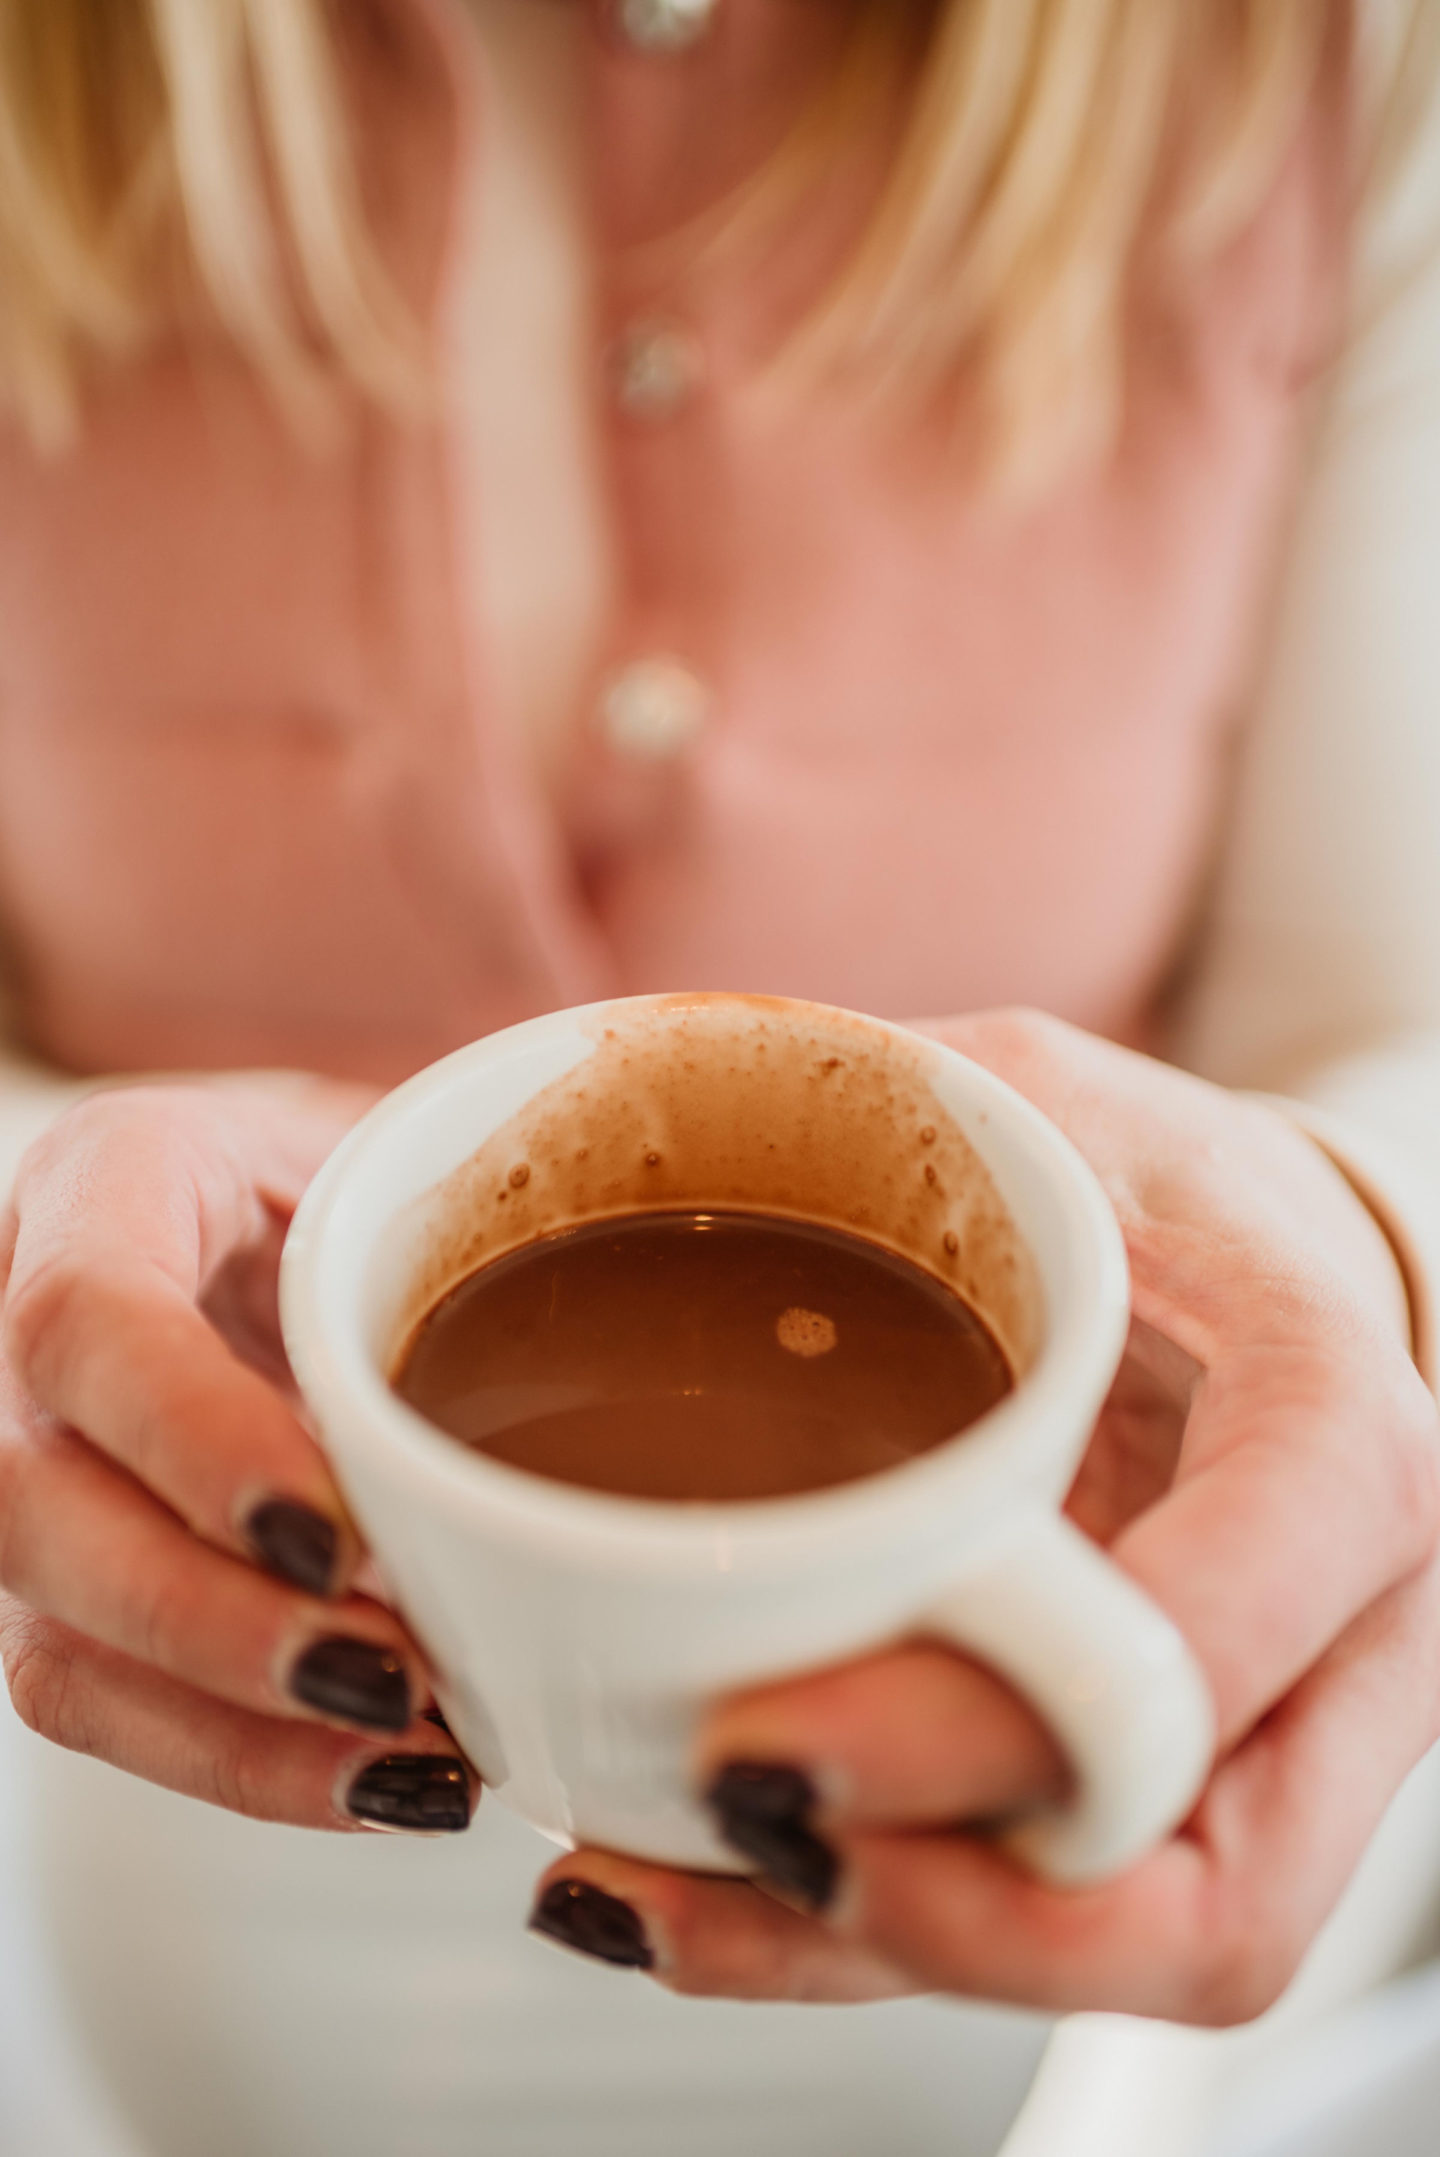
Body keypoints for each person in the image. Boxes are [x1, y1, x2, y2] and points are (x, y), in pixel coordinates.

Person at [2, 1, 1440, 2151]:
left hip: (1032, 1873)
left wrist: (1366, 1237)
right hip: (178, 1827)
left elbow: (1390, 998)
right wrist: (45, 1230)